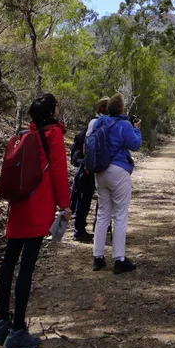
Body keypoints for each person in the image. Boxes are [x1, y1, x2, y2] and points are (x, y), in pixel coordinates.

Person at [0, 93, 71, 348]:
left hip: (18, 206)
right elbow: (58, 171)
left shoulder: (25, 135)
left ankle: (1, 323)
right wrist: (65, 205)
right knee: (26, 267)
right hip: (37, 209)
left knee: (9, 262)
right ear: (51, 112)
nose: (59, 109)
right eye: (56, 106)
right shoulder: (53, 135)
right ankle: (17, 333)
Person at [91, 94, 142, 274]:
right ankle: (119, 259)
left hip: (101, 171)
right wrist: (136, 129)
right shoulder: (124, 124)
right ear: (121, 109)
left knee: (103, 213)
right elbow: (135, 145)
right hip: (118, 170)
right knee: (120, 215)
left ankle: (98, 257)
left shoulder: (100, 122)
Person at [69, 98, 108, 243]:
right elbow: (88, 144)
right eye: (104, 106)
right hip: (88, 166)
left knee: (93, 198)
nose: (106, 108)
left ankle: (94, 227)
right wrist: (87, 165)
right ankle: (80, 230)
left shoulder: (100, 123)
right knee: (84, 198)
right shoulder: (96, 123)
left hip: (93, 166)